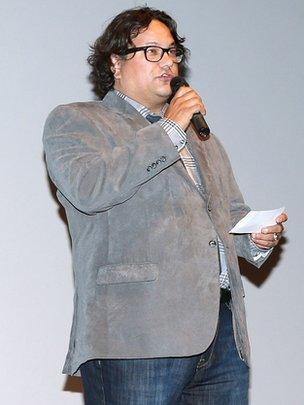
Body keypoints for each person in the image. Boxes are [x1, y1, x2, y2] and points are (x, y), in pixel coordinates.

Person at [43, 6, 288, 404]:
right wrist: (170, 128)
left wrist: (255, 238)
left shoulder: (201, 135)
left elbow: (228, 213)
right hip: (135, 337)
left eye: (173, 52)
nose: (169, 62)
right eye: (153, 51)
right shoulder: (77, 121)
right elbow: (90, 189)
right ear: (116, 61)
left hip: (221, 335)